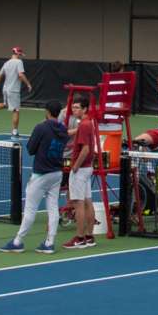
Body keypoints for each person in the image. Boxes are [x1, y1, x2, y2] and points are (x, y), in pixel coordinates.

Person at [2, 105, 69, 254]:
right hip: (57, 173)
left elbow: (31, 149)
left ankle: (18, 241)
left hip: (41, 174)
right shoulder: (63, 130)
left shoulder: (41, 127)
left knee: (30, 209)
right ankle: (50, 242)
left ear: (47, 112)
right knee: (52, 207)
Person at [64, 99, 104, 249]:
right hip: (87, 168)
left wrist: (75, 166)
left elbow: (86, 149)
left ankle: (80, 238)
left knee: (78, 203)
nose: (74, 110)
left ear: (85, 109)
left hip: (81, 170)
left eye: (77, 107)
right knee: (87, 201)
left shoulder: (84, 125)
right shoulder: (89, 123)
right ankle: (89, 236)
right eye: (73, 107)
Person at [0, 46, 29, 132]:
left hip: (5, 89)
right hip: (13, 90)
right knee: (16, 110)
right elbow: (21, 75)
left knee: (6, 104)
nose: (20, 56)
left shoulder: (6, 63)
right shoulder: (19, 62)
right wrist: (28, 84)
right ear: (17, 53)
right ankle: (15, 132)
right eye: (20, 54)